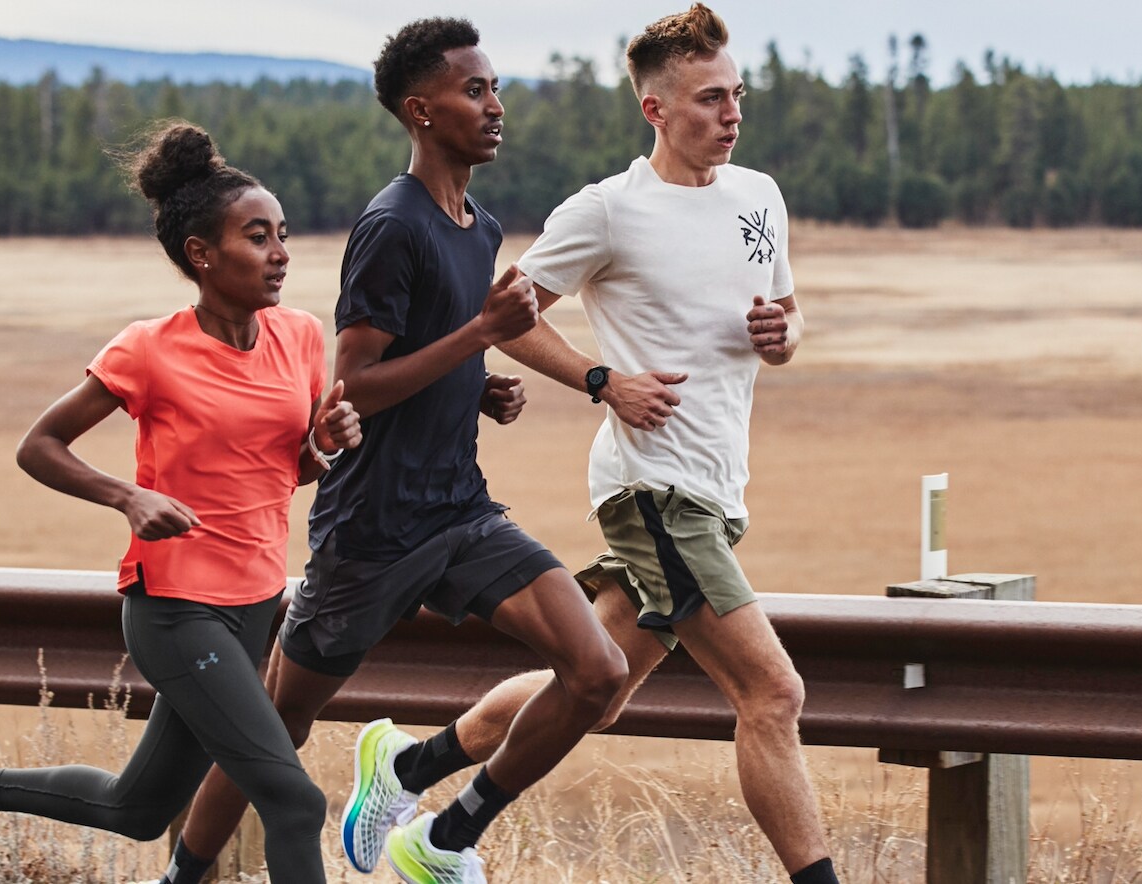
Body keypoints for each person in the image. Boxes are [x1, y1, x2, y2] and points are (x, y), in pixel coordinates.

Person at [343, 5, 843, 883]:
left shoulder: (758, 195)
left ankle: (414, 783)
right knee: (772, 693)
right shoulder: (609, 211)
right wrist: (601, 379)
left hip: (717, 490)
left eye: (736, 96)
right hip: (654, 492)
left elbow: (787, 317)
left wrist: (783, 335)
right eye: (709, 99)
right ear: (655, 109)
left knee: (596, 688)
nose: (731, 114)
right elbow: (502, 317)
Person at [162, 17, 628, 884]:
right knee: (276, 725)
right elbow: (352, 387)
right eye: (473, 90)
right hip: (373, 531)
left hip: (460, 512)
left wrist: (476, 385)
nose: (495, 106)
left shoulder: (478, 226)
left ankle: (442, 832)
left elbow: (431, 346)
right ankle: (181, 877)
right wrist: (478, 336)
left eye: (495, 89)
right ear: (421, 110)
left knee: (597, 671)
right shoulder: (392, 224)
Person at [0, 120, 360, 883]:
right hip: (176, 609)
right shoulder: (150, 348)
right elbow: (39, 445)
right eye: (257, 237)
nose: (279, 253)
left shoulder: (300, 336)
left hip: (254, 601)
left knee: (139, 809)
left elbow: (288, 467)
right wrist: (128, 497)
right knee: (293, 801)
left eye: (281, 235)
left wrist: (327, 443)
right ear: (201, 254)